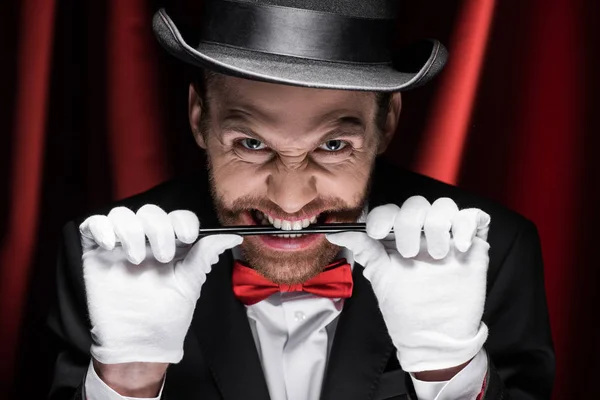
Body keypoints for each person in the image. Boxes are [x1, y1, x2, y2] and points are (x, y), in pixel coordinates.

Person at [47, 0, 555, 399]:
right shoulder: (106, 252)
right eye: (251, 143)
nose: (290, 201)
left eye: (333, 146)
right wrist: (127, 380)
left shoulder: (492, 249)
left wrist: (450, 370)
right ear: (201, 118)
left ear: (387, 123)